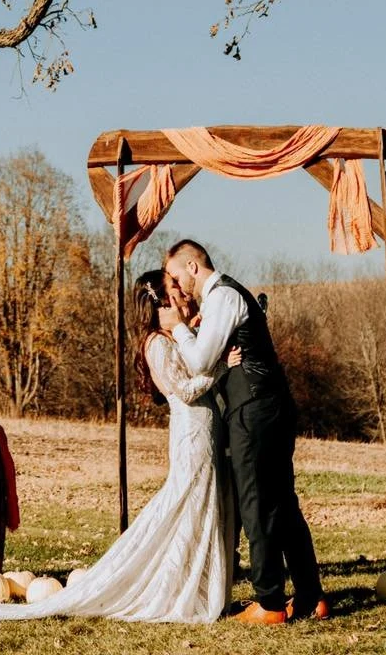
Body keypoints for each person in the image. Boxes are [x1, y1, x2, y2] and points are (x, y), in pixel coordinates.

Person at [0, 269, 238, 626]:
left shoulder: (172, 337)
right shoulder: (156, 343)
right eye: (173, 289)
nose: (182, 294)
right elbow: (185, 390)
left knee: (201, 504)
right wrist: (221, 367)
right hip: (191, 434)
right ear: (159, 302)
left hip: (204, 430)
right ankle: (176, 587)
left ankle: (196, 584)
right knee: (183, 505)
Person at [162, 239, 328, 626]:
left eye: (174, 275)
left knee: (256, 504)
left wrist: (180, 330)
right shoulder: (225, 299)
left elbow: (201, 360)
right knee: (283, 503)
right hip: (268, 405)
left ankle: (269, 602)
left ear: (191, 266)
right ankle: (310, 595)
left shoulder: (222, 297)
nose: (174, 286)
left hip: (253, 410)